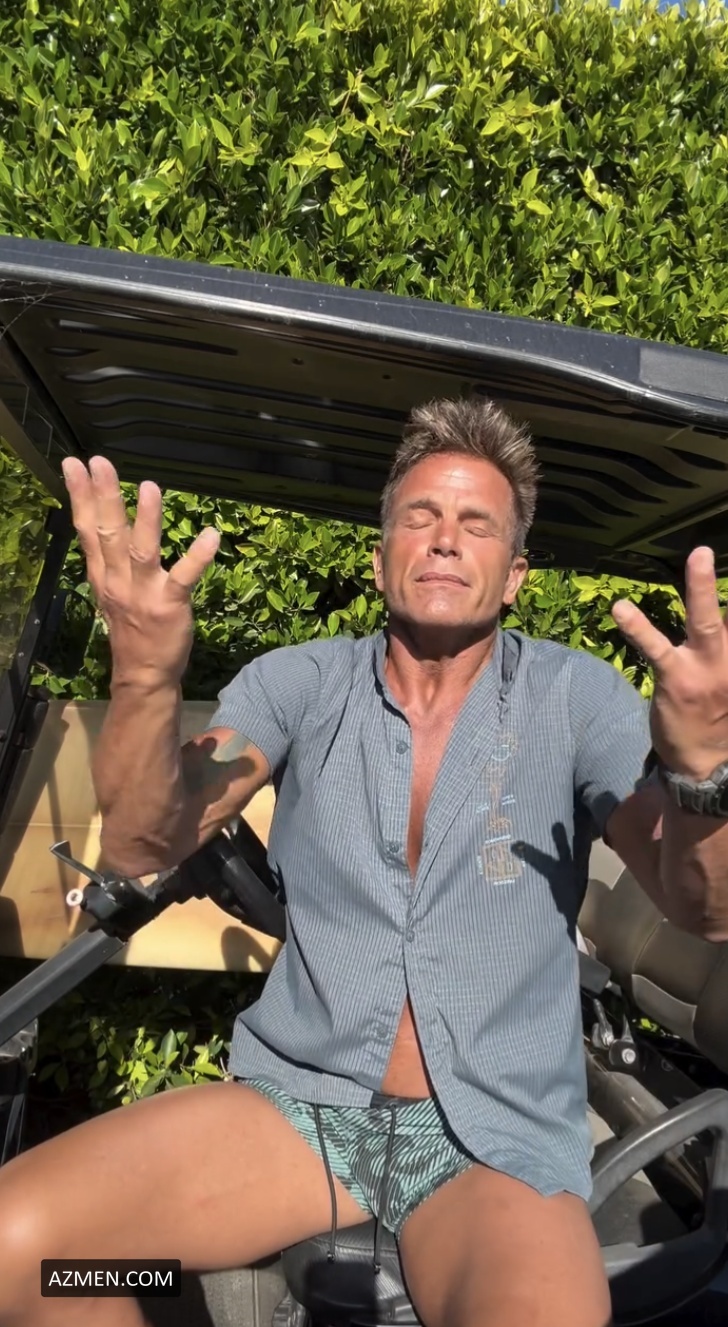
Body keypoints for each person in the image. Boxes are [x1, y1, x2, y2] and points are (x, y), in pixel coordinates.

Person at [2, 395, 728, 1327]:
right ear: (381, 558)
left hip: (494, 1141)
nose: (445, 538)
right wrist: (144, 672)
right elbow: (149, 840)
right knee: (43, 1262)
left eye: (477, 524)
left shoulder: (577, 697)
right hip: (302, 1112)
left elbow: (701, 903)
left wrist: (703, 780)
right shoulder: (300, 681)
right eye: (420, 516)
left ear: (515, 575)